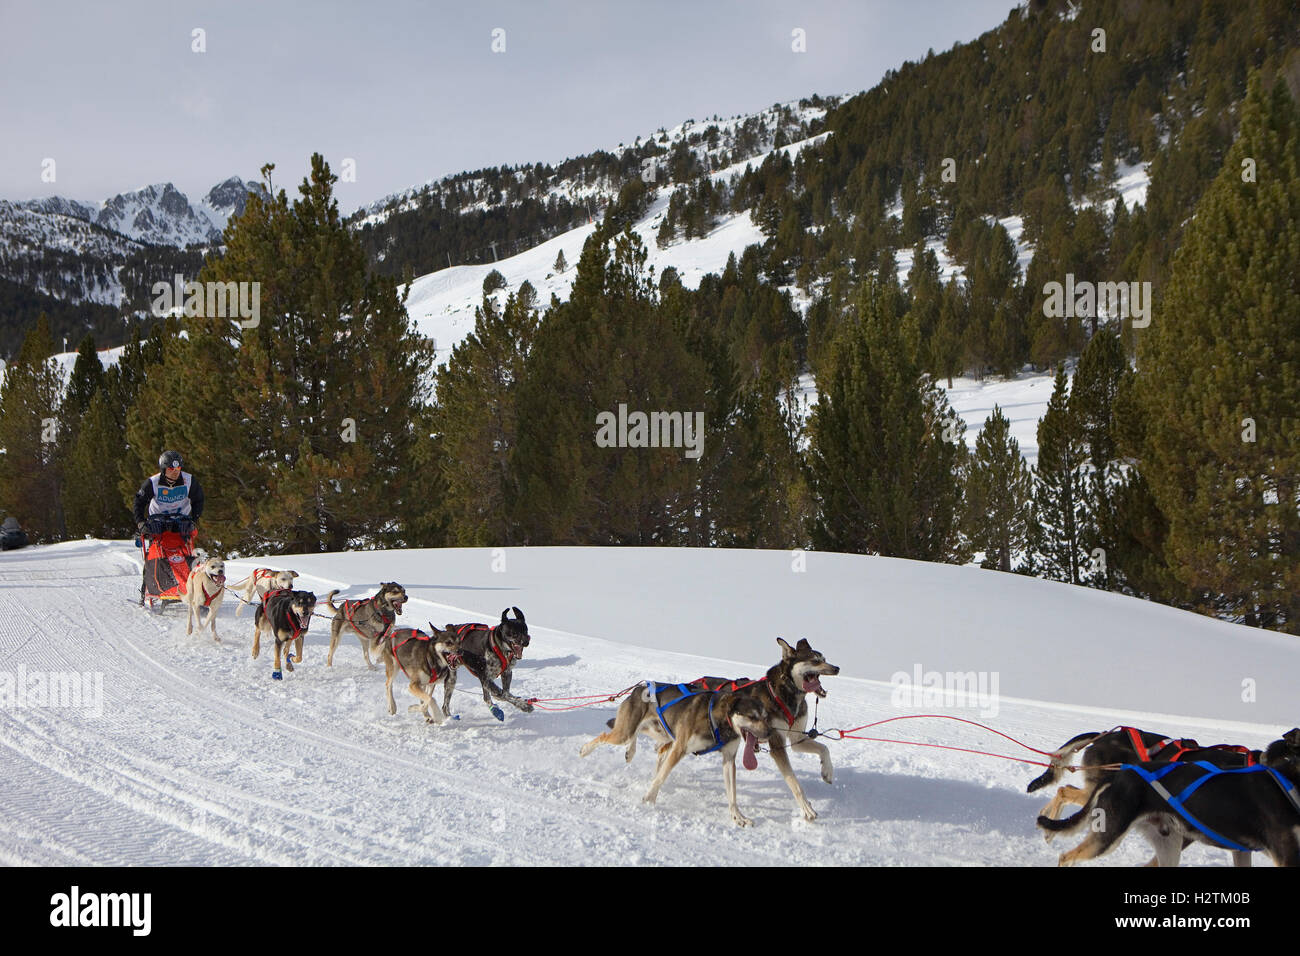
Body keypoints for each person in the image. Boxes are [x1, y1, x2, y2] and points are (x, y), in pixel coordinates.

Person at [134, 450, 204, 539]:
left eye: (178, 468)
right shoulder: (152, 482)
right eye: (171, 469)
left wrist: (194, 520)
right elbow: (139, 502)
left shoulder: (189, 481)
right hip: (157, 520)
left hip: (181, 520)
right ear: (163, 469)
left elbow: (198, 500)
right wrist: (140, 522)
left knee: (183, 546)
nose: (175, 472)